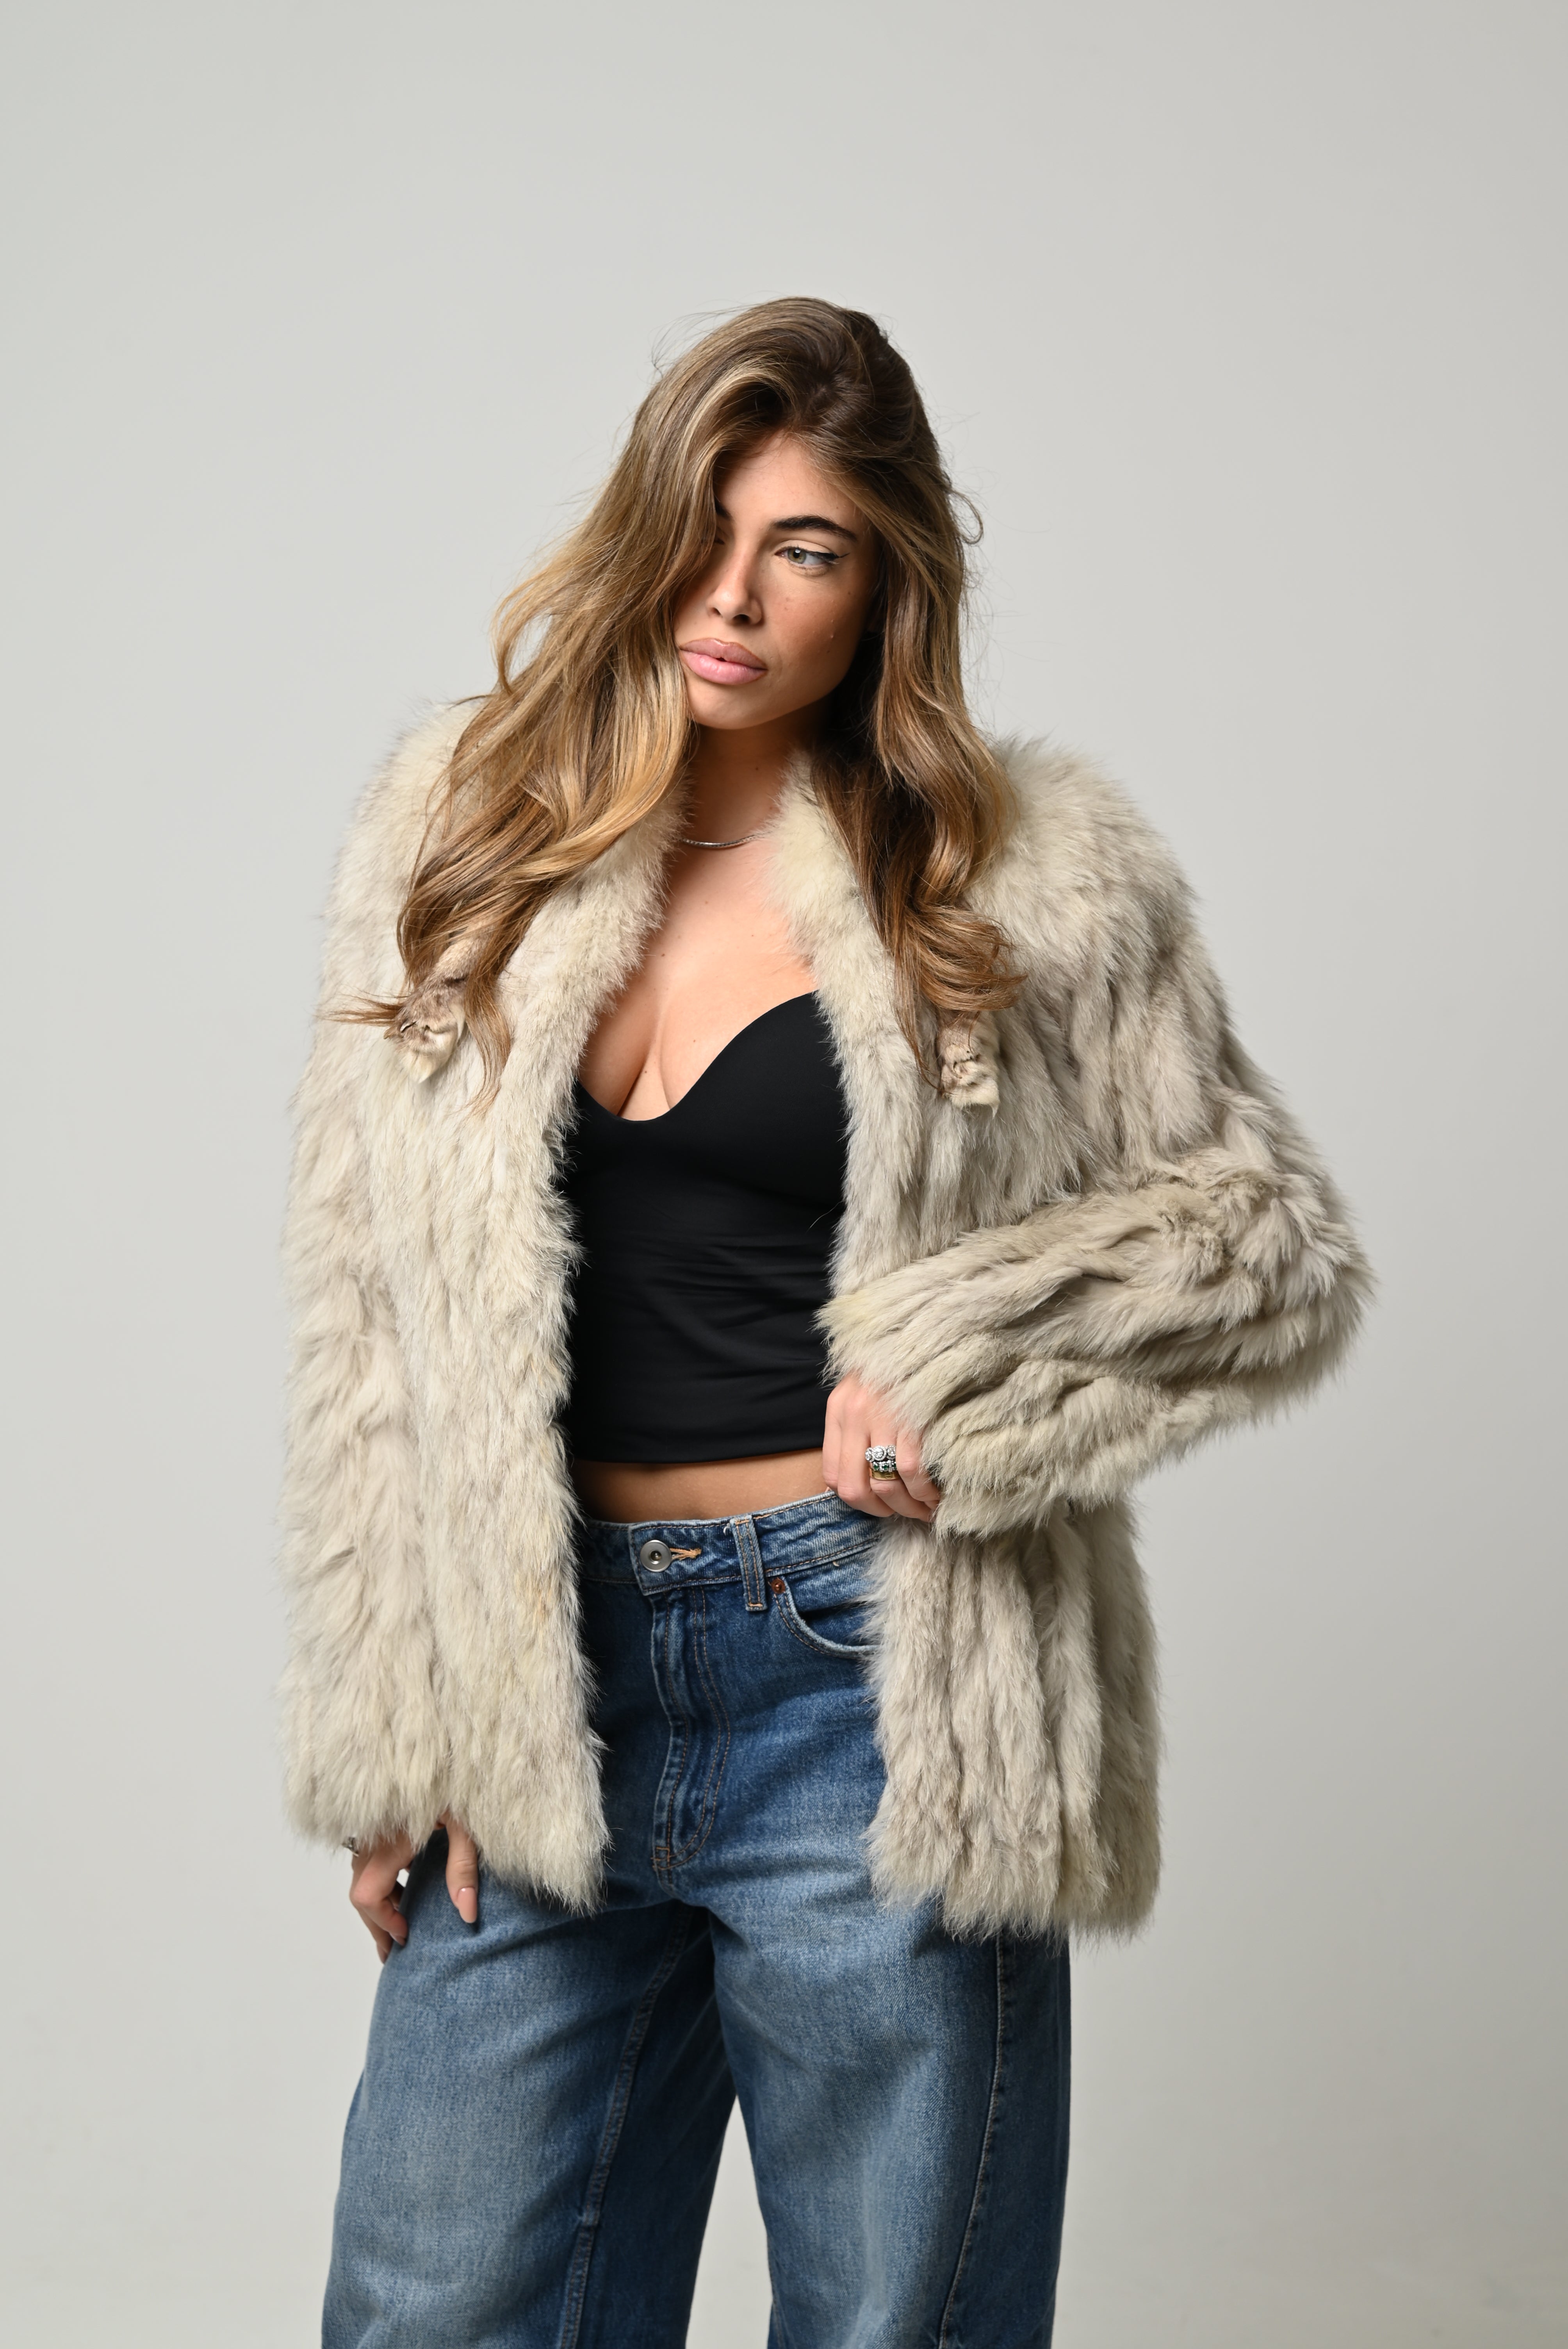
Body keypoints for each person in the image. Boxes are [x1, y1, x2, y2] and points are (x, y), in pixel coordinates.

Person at [280, 297, 1370, 2347]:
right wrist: (399, 1717)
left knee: (896, 2322)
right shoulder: (463, 826)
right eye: (704, 530)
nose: (735, 595)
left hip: (871, 1683)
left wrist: (964, 1376)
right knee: (433, 2310)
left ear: (883, 585)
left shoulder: (1022, 870)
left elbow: (1258, 1238)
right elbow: (367, 1303)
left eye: (805, 548)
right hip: (540, 1684)